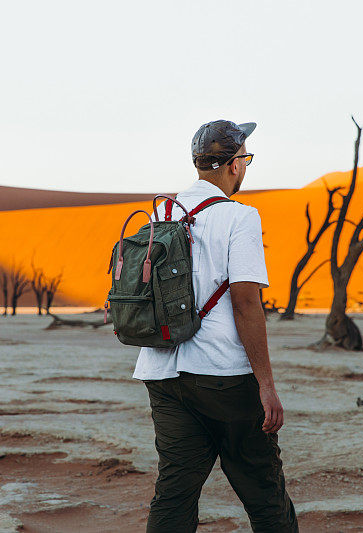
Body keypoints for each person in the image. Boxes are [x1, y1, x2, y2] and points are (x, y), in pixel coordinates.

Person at [133, 120, 298, 532]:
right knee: (264, 491)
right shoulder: (240, 217)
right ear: (233, 165)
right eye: (246, 159)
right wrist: (266, 385)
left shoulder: (161, 212)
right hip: (222, 374)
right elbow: (245, 303)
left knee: (174, 492)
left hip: (162, 372)